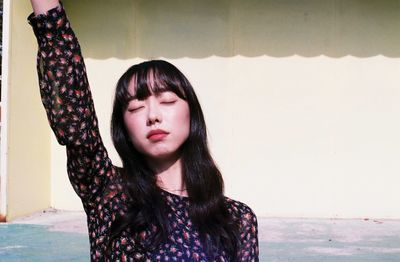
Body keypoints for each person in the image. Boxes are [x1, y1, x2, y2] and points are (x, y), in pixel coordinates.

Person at [28, 1, 259, 261]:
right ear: (123, 128)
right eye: (136, 107)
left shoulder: (237, 218)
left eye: (167, 101)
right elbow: (74, 115)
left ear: (191, 114)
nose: (153, 115)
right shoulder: (108, 193)